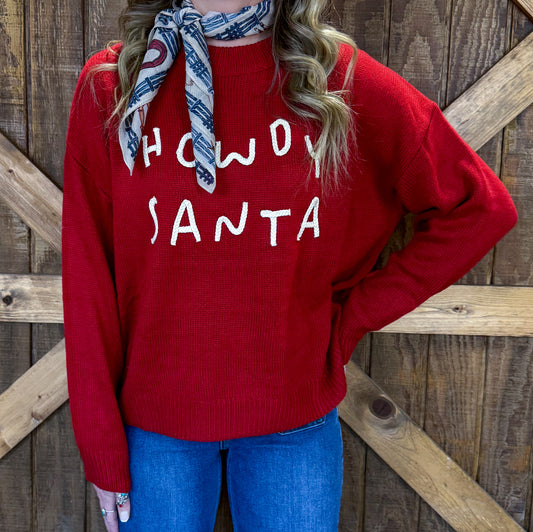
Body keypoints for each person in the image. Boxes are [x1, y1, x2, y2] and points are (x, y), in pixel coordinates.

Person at [61, 0, 518, 530]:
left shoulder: (335, 80)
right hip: (155, 427)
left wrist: (348, 320)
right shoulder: (115, 86)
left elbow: (479, 209)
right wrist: (100, 444)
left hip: (292, 422)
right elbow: (88, 276)